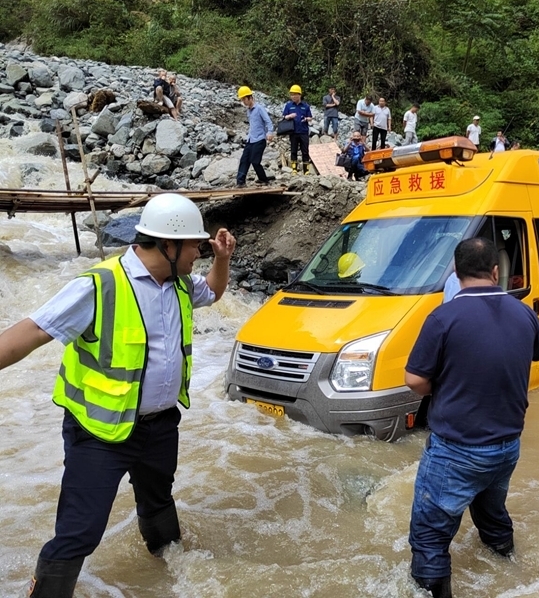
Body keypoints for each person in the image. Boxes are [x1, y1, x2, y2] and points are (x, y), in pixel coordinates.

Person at [0, 193, 236, 598]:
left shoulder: (179, 283)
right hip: (99, 434)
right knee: (80, 531)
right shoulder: (100, 284)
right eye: (196, 245)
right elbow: (36, 330)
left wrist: (222, 259)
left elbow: (213, 293)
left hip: (159, 427)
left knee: (158, 500)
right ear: (168, 244)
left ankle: (170, 571)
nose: (200, 250)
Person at [406, 238, 539, 598]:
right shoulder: (522, 311)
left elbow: (414, 380)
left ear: (456, 273)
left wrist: (443, 387)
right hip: (506, 448)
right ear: (495, 271)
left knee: (430, 535)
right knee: (491, 514)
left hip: (456, 450)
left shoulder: (443, 317)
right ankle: (513, 572)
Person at [236, 86, 273, 187]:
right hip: (251, 139)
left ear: (250, 97)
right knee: (244, 160)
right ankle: (240, 182)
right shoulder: (248, 111)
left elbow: (268, 121)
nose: (243, 101)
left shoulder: (259, 109)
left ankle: (263, 179)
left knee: (255, 161)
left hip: (260, 139)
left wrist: (269, 132)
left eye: (244, 99)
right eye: (242, 99)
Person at [282, 84, 313, 173]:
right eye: (292, 94)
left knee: (305, 151)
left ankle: (306, 170)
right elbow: (284, 117)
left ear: (299, 95)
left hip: (303, 131)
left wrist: (307, 119)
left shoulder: (305, 106)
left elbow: (310, 117)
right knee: (293, 150)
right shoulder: (288, 106)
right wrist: (289, 116)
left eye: (295, 94)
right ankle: (294, 169)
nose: (293, 96)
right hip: (293, 131)